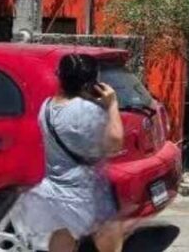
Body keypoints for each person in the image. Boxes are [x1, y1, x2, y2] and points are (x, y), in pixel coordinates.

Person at [12, 54, 124, 252]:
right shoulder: (89, 110)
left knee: (63, 237)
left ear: (60, 77)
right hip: (87, 193)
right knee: (111, 238)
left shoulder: (46, 107)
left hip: (56, 191)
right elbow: (115, 142)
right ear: (91, 82)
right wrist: (112, 103)